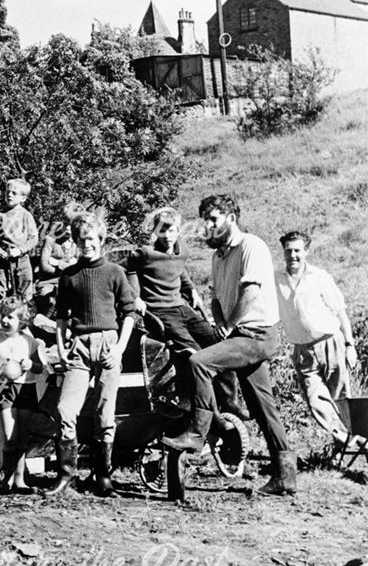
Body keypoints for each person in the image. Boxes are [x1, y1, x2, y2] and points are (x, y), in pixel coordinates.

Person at [163, 195, 295, 496]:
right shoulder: (218, 257)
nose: (207, 226)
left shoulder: (251, 246)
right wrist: (221, 322)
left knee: (199, 362)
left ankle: (196, 434)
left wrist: (227, 326)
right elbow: (216, 299)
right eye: (205, 220)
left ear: (231, 218)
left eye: (213, 219)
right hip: (240, 336)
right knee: (264, 408)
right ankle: (285, 475)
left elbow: (250, 292)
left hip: (257, 335)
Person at [125, 207, 248, 421]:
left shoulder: (182, 248)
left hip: (183, 308)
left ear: (179, 230)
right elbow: (126, 269)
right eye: (162, 231)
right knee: (197, 355)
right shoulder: (144, 253)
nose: (168, 236)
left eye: (172, 230)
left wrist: (190, 289)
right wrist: (135, 296)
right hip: (161, 312)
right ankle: (210, 412)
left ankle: (230, 402)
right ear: (155, 231)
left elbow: (180, 268)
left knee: (220, 347)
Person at [50, 211, 136, 497]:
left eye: (92, 239)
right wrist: (62, 348)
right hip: (80, 347)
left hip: (109, 344)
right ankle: (67, 477)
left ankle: (103, 477)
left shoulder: (115, 272)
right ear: (75, 241)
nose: (87, 245)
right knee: (65, 409)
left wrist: (120, 348)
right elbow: (62, 317)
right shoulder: (69, 276)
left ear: (101, 240)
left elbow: (129, 314)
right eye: (82, 240)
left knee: (104, 412)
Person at [275, 230, 356, 449]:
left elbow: (340, 312)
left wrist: (350, 345)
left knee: (341, 399)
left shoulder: (319, 276)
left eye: (297, 250)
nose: (293, 255)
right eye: (288, 251)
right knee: (314, 400)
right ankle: (349, 441)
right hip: (302, 350)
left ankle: (347, 449)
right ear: (283, 252)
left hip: (331, 343)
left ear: (306, 251)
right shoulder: (276, 280)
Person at [0, 297, 45, 493]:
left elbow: (40, 368)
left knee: (22, 438)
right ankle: (6, 479)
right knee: (9, 437)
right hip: (5, 389)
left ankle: (19, 480)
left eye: (10, 317)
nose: (4, 320)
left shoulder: (30, 342)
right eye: (2, 316)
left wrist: (31, 365)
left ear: (21, 320)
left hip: (26, 389)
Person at [0, 179, 39, 304]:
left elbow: (34, 238)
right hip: (3, 260)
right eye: (7, 192)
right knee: (0, 291)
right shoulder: (0, 216)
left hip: (22, 260)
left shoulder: (26, 216)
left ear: (23, 198)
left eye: (14, 193)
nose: (9, 195)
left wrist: (20, 250)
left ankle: (23, 320)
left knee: (24, 293)